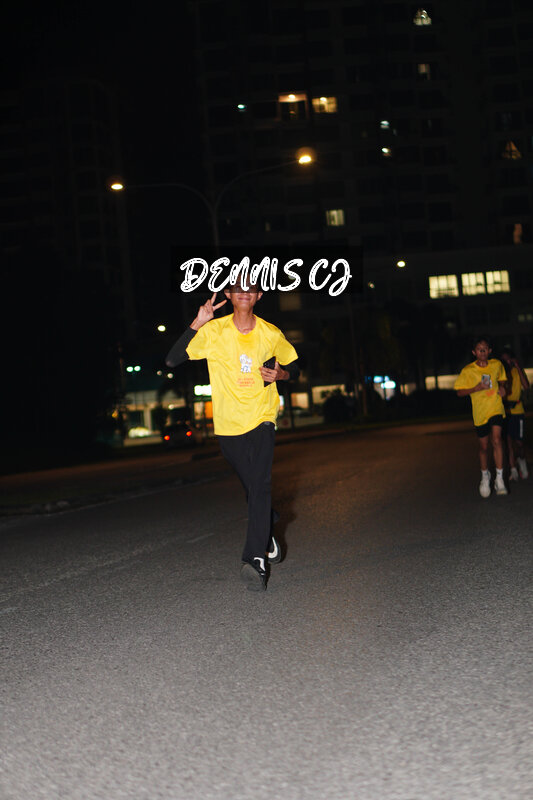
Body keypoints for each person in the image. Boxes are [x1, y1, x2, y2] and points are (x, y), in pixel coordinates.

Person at [165, 280, 299, 591]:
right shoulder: (214, 331)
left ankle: (255, 560)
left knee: (260, 485)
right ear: (228, 295)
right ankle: (267, 525)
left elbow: (295, 367)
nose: (244, 293)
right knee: (254, 490)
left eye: (251, 288)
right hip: (228, 425)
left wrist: (282, 374)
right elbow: (172, 359)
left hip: (263, 417)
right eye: (238, 288)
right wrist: (197, 322)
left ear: (259, 296)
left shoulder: (271, 333)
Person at [454, 334, 508, 498]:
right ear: (474, 352)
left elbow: (503, 380)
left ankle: (500, 479)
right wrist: (475, 388)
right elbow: (459, 392)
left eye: (485, 349)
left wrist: (503, 388)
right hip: (480, 413)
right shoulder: (468, 370)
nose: (482, 351)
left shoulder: (497, 364)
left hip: (495, 408)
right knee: (484, 448)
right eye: (479, 349)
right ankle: (485, 476)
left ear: (490, 350)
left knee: (497, 440)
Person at [500, 346, 529, 481]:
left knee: (519, 443)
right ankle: (513, 470)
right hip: (505, 411)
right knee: (508, 442)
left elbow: (526, 386)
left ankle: (522, 461)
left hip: (518, 411)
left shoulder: (517, 371)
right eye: (504, 361)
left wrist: (517, 366)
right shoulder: (500, 374)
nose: (507, 363)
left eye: (508, 360)